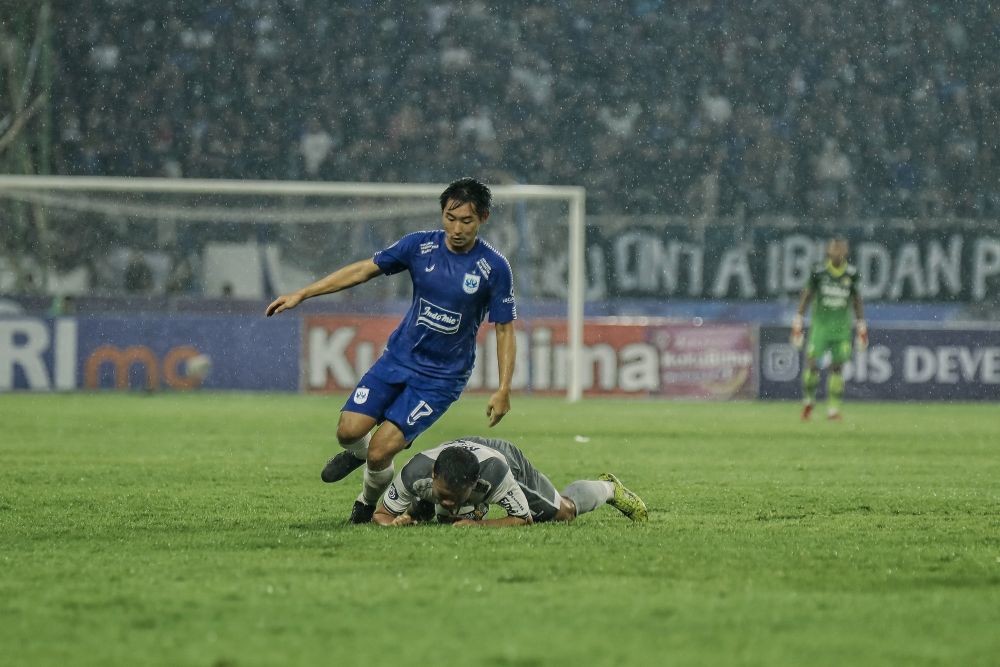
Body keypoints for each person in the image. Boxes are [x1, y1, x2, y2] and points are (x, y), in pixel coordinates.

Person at [266, 178, 516, 523]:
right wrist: (303, 293)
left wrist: (503, 389)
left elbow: (504, 329)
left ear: (483, 218)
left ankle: (366, 504)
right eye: (450, 218)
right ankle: (360, 453)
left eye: (466, 221)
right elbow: (363, 270)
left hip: (441, 378)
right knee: (347, 432)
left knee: (382, 448)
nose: (456, 228)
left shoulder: (494, 268)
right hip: (398, 359)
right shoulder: (419, 246)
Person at [371, 436, 648, 527]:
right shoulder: (414, 472)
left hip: (504, 457)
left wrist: (479, 526)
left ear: (476, 484)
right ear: (433, 475)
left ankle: (609, 488)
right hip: (460, 456)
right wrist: (393, 525)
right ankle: (420, 511)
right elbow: (382, 515)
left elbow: (522, 518)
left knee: (563, 512)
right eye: (443, 495)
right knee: (448, 520)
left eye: (456, 496)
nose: (449, 501)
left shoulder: (496, 473)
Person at [790, 238, 867, 421]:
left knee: (837, 368)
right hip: (820, 327)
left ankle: (833, 409)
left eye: (840, 249)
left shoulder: (852, 274)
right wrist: (798, 321)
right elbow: (807, 295)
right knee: (812, 365)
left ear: (846, 252)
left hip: (841, 329)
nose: (837, 252)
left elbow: (856, 300)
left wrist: (861, 326)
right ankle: (808, 400)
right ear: (828, 251)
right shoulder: (819, 272)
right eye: (834, 249)